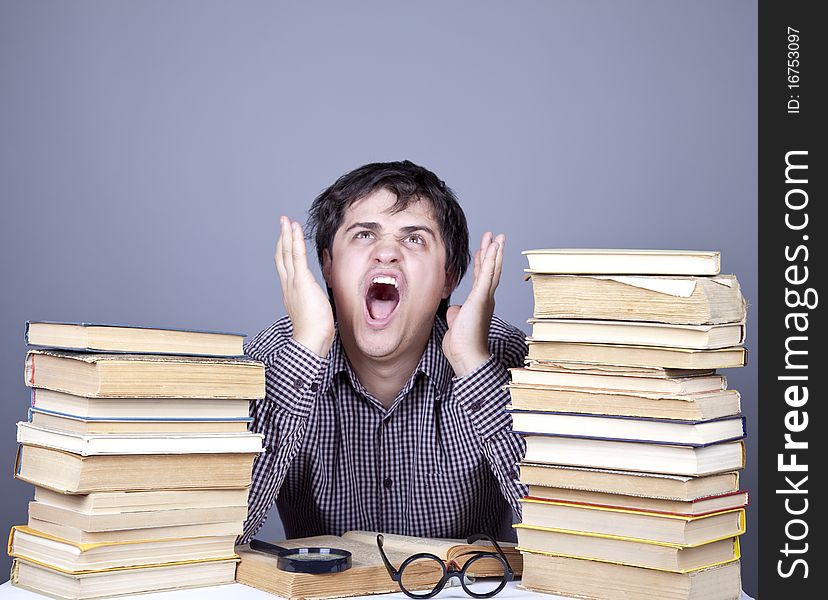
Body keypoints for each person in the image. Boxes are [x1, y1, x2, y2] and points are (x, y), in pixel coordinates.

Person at [240, 160, 528, 544]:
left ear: (449, 278)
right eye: (363, 235)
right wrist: (308, 347)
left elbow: (572, 535)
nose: (386, 253)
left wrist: (474, 367)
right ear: (327, 266)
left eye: (414, 239)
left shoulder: (502, 356)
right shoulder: (272, 359)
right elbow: (221, 535)